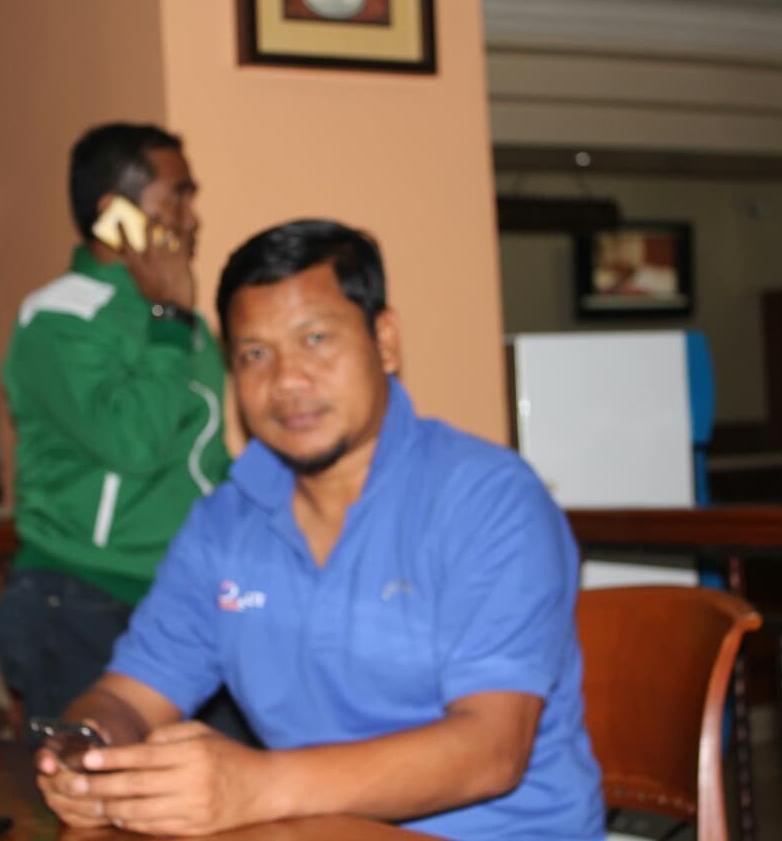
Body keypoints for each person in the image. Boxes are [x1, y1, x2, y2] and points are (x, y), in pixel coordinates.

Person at [35, 218, 605, 840]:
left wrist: (253, 786)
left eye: (315, 339)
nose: (286, 380)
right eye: (255, 354)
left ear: (385, 341)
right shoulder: (223, 524)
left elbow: (492, 750)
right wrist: (88, 753)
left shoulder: (488, 499)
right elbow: (127, 698)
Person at [0, 122, 251, 741]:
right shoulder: (59, 317)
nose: (192, 218)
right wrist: (168, 317)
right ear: (115, 212)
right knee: (95, 791)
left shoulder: (181, 321)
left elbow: (203, 456)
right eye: (177, 197)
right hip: (83, 597)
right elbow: (134, 444)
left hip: (182, 594)